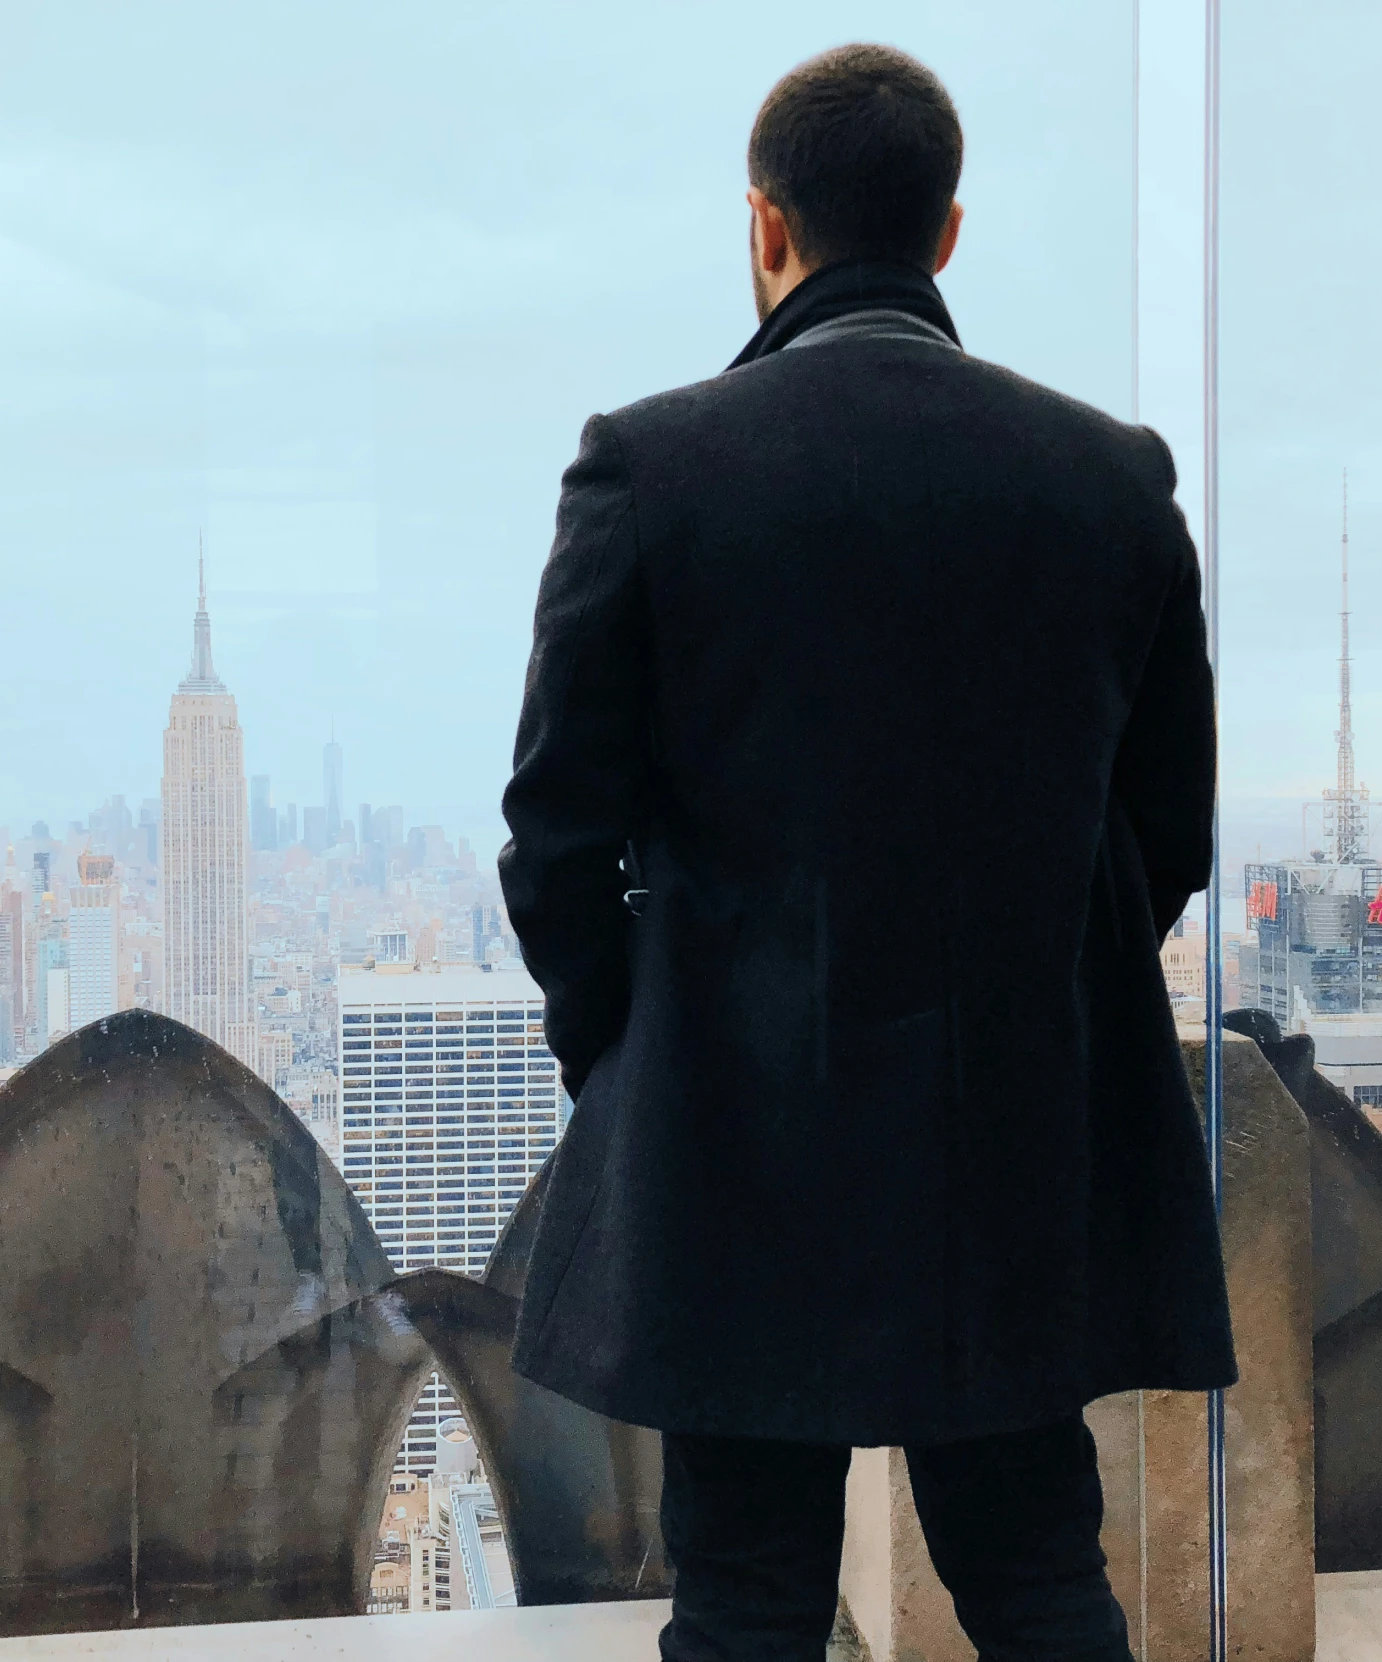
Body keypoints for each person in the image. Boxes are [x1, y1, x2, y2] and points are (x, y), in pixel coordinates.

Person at [497, 43, 1235, 1662]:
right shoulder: (1114, 483)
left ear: (767, 227)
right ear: (948, 233)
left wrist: (637, 1039)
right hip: (1013, 1133)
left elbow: (554, 832)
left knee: (748, 1591)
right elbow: (1165, 830)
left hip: (739, 1134)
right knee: (1041, 1575)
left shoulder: (651, 465)